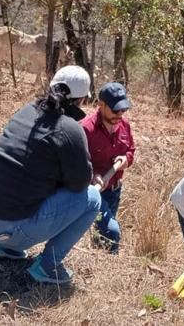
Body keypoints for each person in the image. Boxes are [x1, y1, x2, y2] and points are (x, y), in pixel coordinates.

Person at [0, 65, 99, 285]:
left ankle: (5, 247)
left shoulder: (26, 110)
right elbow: (80, 184)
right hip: (9, 226)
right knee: (93, 198)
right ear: (82, 99)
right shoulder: (70, 130)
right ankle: (48, 266)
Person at [81, 82, 135, 254]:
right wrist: (92, 175)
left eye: (123, 110)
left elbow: (130, 150)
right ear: (101, 104)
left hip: (114, 190)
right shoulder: (85, 129)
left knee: (101, 234)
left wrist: (126, 159)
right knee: (112, 231)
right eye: (115, 110)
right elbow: (77, 163)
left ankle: (98, 259)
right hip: (94, 192)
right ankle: (111, 261)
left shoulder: (124, 125)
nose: (120, 114)